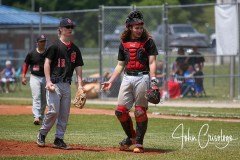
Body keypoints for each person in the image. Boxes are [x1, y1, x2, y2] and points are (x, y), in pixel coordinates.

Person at [101, 10, 158, 153]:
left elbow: (152, 63)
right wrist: (111, 81)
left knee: (139, 111)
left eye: (140, 27)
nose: (139, 30)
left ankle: (139, 143)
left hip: (143, 77)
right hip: (127, 77)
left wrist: (154, 81)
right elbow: (120, 65)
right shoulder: (124, 42)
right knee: (120, 111)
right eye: (136, 28)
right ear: (130, 28)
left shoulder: (148, 41)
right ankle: (132, 137)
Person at [36, 18, 84, 150]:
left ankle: (59, 139)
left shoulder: (75, 49)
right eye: (67, 27)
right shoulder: (54, 46)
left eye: (71, 27)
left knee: (64, 114)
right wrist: (48, 81)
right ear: (61, 29)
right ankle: (42, 133)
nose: (69, 29)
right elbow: (47, 63)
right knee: (53, 111)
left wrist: (80, 85)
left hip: (66, 85)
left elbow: (78, 67)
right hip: (54, 84)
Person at [21, 35, 47, 125]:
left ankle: (41, 115)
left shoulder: (48, 53)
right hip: (34, 77)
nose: (43, 43)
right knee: (36, 96)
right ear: (37, 43)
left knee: (44, 99)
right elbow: (26, 64)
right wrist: (23, 76)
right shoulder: (32, 53)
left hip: (45, 77)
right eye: (41, 41)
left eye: (44, 41)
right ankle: (36, 116)